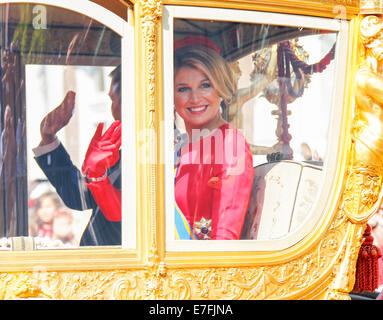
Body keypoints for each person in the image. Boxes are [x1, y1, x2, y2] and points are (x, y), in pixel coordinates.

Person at [173, 36, 254, 240]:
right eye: (183, 89)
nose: (195, 98)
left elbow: (225, 238)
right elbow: (127, 212)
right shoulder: (177, 146)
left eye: (205, 85)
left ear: (220, 88)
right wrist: (98, 178)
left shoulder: (231, 145)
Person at [33, 65, 122, 246]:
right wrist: (48, 138)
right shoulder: (124, 153)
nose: (113, 111)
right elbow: (79, 197)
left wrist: (98, 177)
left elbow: (122, 214)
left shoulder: (165, 153)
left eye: (115, 101)